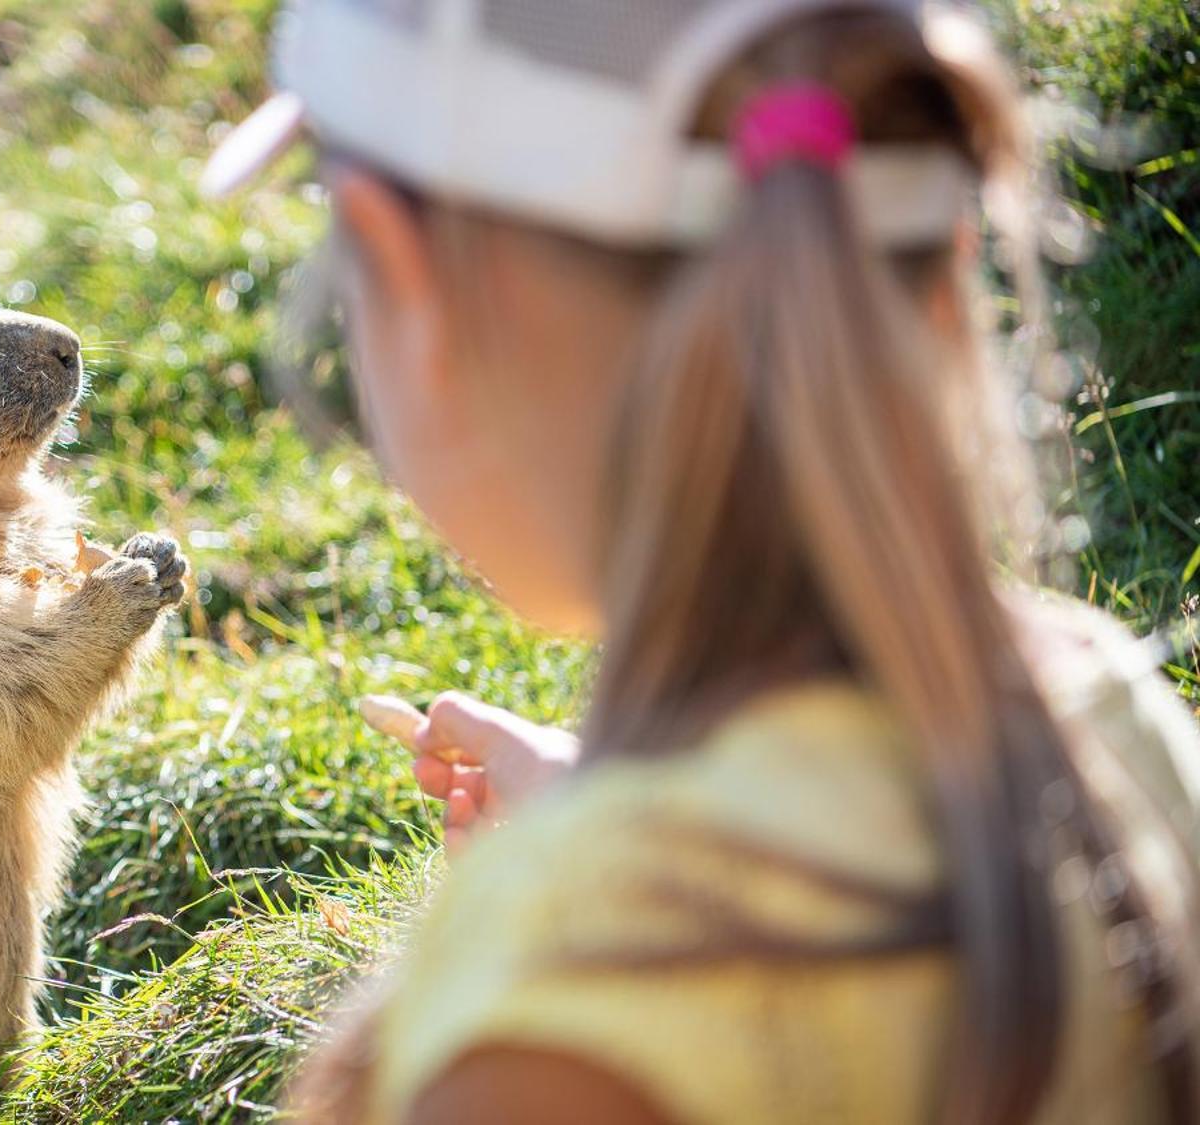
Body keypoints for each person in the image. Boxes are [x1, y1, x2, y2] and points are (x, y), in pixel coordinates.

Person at [199, 0, 1200, 1122]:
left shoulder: (559, 1024)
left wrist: (587, 884)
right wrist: (622, 812)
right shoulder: (1108, 716)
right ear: (936, 254)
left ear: (399, 268)